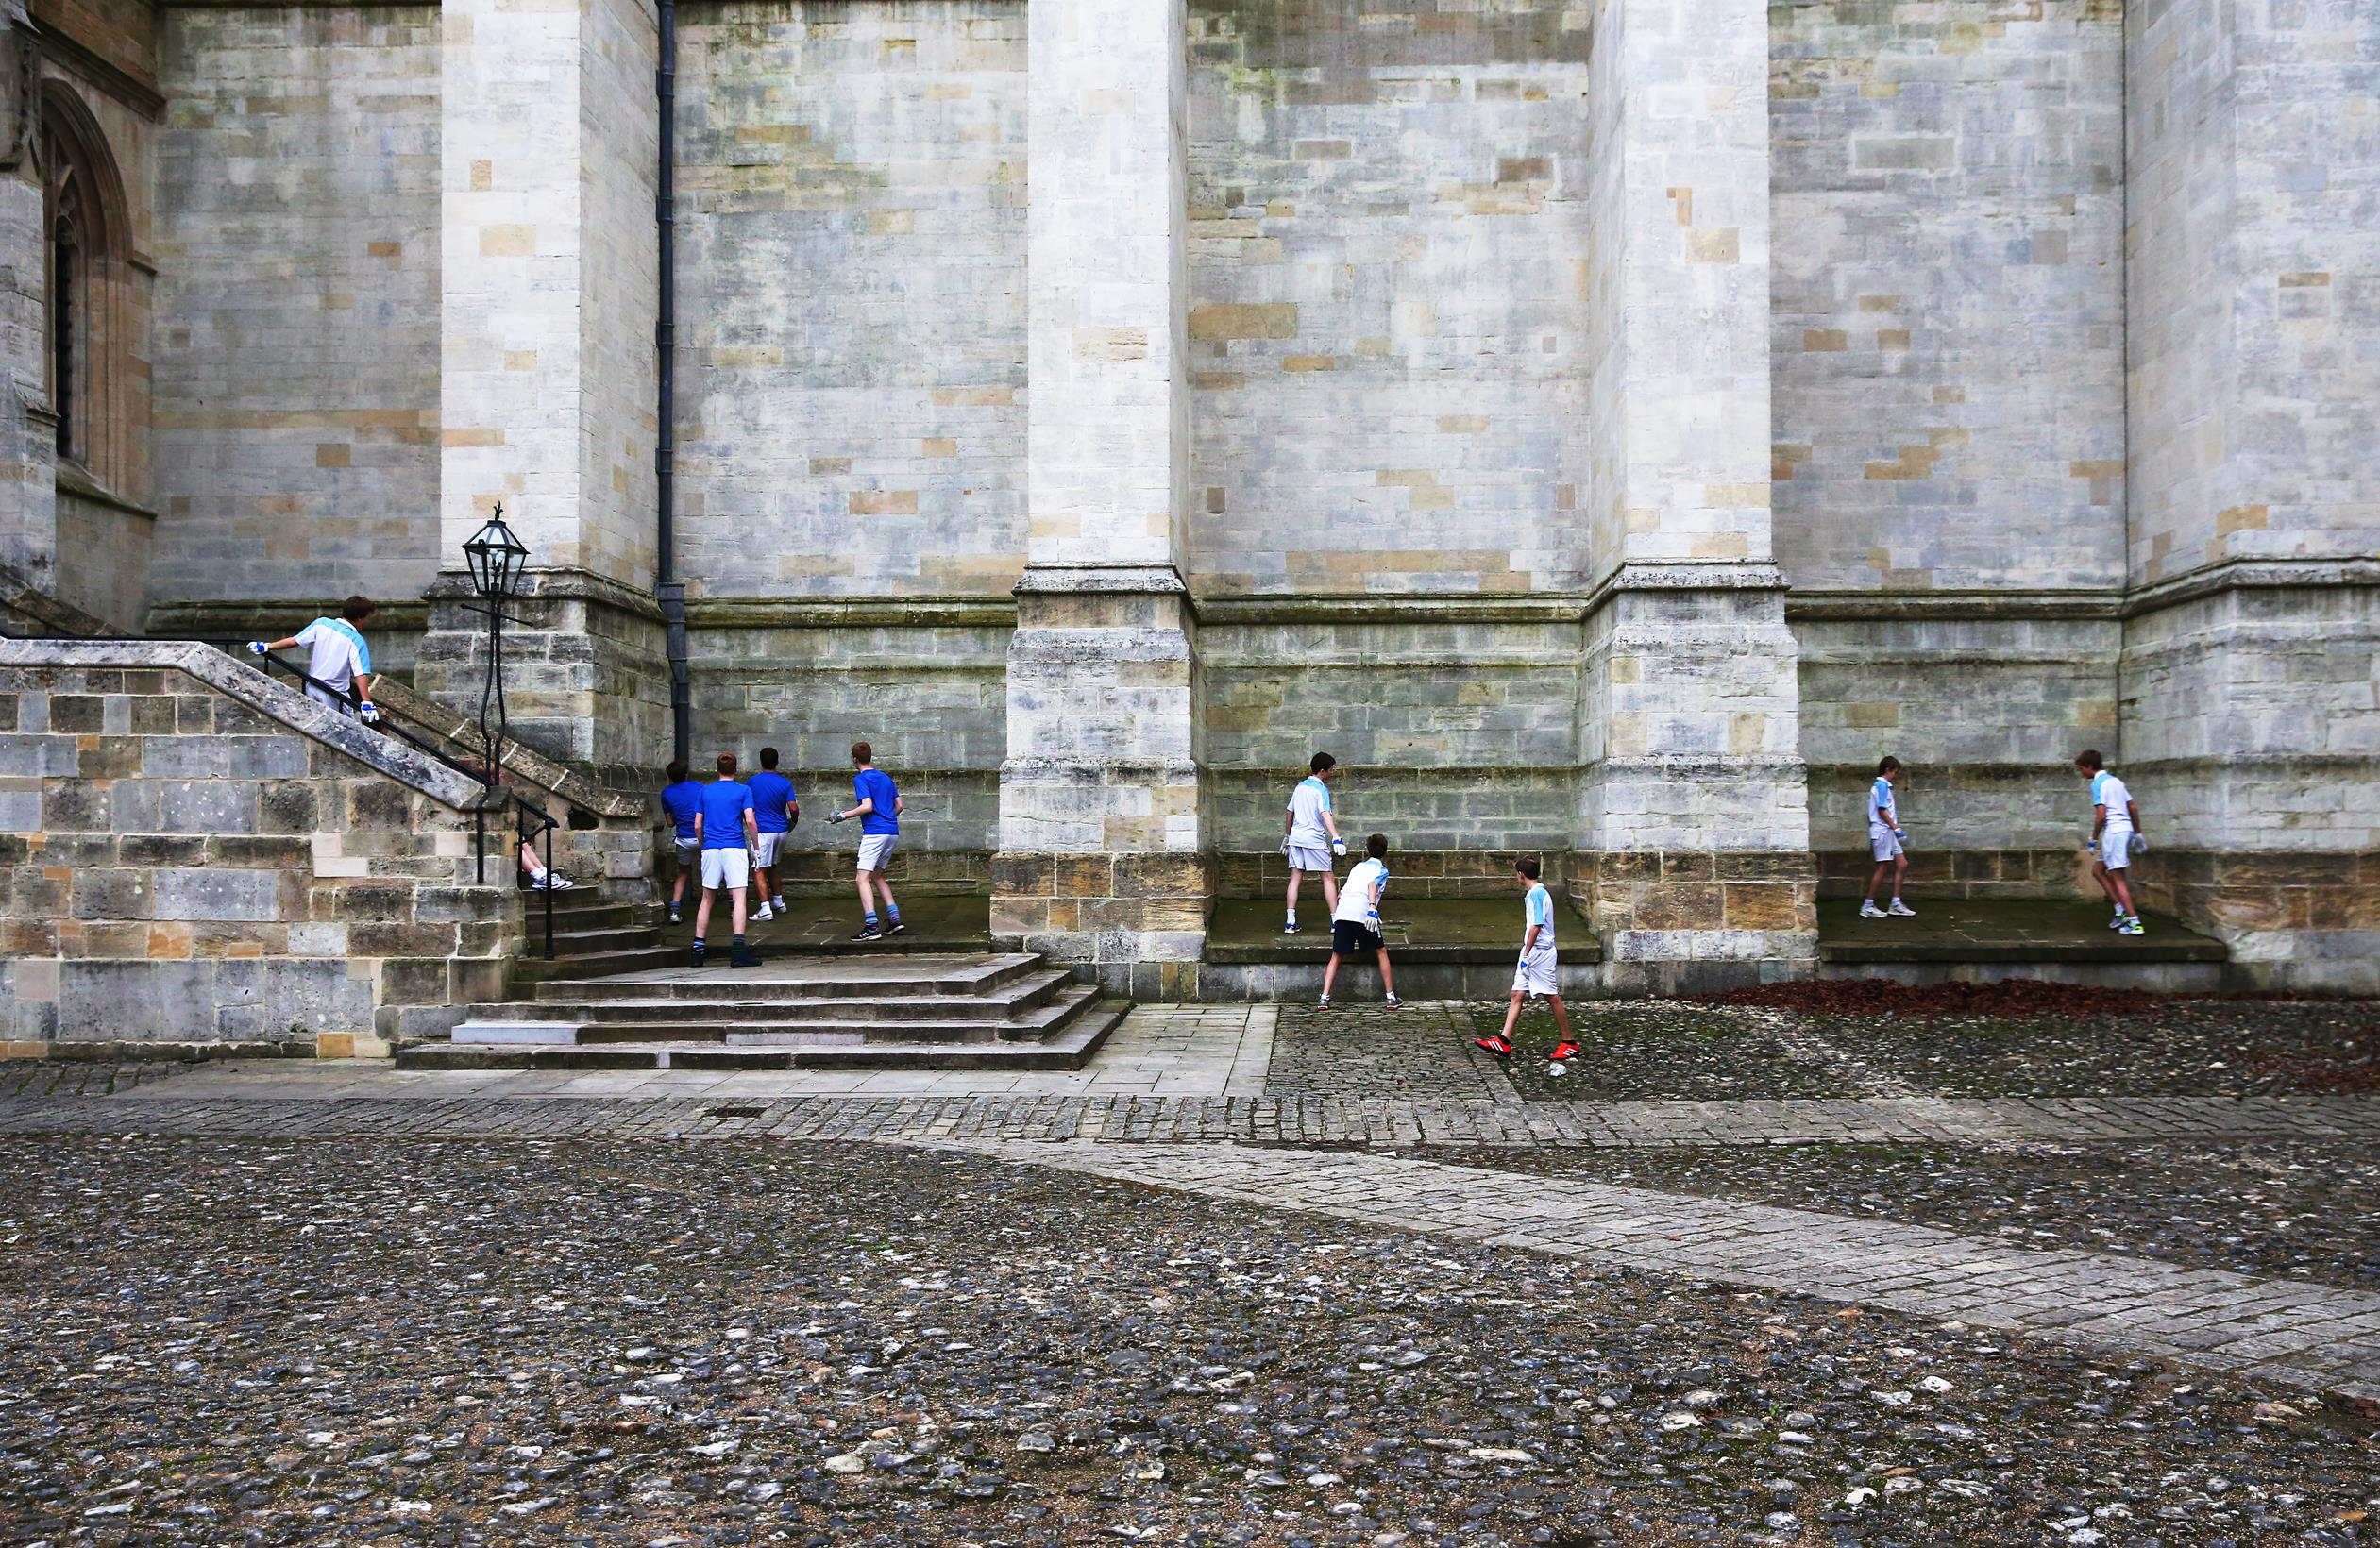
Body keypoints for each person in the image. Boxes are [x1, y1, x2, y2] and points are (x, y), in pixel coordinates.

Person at [1475, 856, 1578, 1071]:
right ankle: (1504, 1040)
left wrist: (1527, 952)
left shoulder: (1536, 895)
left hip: (1539, 953)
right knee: (1517, 994)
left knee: (1551, 996)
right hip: (1533, 952)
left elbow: (1537, 925)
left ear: (1520, 875)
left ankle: (1569, 1042)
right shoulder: (1537, 893)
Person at [248, 595, 380, 722]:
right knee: (345, 730)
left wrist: (267, 646)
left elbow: (295, 641)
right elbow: (361, 673)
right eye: (367, 618)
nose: (367, 622)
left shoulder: (321, 624)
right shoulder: (356, 641)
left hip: (312, 687)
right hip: (334, 693)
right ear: (359, 618)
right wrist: (366, 702)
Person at [827, 741, 903, 941]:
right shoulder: (885, 777)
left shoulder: (861, 779)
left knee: (862, 878)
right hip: (891, 831)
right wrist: (887, 818)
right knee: (877, 875)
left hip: (875, 832)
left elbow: (867, 806)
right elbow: (900, 805)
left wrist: (842, 816)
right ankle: (894, 919)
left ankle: (871, 926)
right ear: (871, 757)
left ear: (854, 759)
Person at [692, 752, 761, 968]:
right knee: (739, 897)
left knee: (707, 899)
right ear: (736, 769)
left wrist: (704, 844)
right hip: (734, 847)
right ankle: (738, 951)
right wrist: (756, 848)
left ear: (717, 769)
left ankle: (697, 952)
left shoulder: (705, 791)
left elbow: (697, 824)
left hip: (711, 848)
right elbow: (749, 820)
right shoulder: (743, 790)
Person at [1318, 833, 1400, 1010]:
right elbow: (1372, 885)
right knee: (1381, 951)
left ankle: (1324, 997)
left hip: (1343, 912)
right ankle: (1391, 997)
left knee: (1336, 955)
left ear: (1366, 850)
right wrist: (1372, 907)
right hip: (1363, 912)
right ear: (1385, 852)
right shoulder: (1382, 870)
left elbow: (1341, 893)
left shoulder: (1357, 867)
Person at [2076, 749, 2145, 935]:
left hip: (2114, 832)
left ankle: (2134, 922)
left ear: (2090, 767)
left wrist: (2093, 839)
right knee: (2098, 871)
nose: (2081, 772)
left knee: (2118, 878)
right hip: (2124, 830)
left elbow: (2101, 816)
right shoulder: (2116, 781)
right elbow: (2133, 806)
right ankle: (2121, 911)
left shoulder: (2097, 783)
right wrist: (2137, 833)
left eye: (2081, 769)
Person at [1282, 752, 1346, 934]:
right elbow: (1325, 813)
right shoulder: (1321, 790)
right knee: (1327, 877)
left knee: (1295, 878)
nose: (1332, 773)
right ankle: (1336, 921)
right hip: (1313, 839)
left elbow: (1289, 812)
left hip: (1296, 838)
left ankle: (1290, 922)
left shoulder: (1300, 788)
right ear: (1322, 771)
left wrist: (1287, 836)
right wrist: (1336, 837)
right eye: (1330, 770)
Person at [747, 747, 799, 923]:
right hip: (781, 830)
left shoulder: (752, 782)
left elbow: (747, 808)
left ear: (761, 762)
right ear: (777, 762)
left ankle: (765, 908)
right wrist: (793, 822)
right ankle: (778, 901)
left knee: (758, 868)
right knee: (774, 865)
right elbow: (793, 808)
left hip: (763, 831)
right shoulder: (785, 783)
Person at [1860, 755, 1916, 918]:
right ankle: (1868, 906)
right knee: (1882, 867)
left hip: (1888, 832)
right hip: (1883, 831)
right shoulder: (1881, 786)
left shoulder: (1884, 786)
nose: (1896, 776)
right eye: (1895, 772)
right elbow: (1882, 810)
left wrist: (1894, 829)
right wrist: (1895, 827)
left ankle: (1896, 904)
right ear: (1888, 770)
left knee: (1902, 864)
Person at [659, 759, 703, 925]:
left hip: (683, 839)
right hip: (702, 837)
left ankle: (674, 911)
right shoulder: (699, 787)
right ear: (686, 773)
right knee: (714, 871)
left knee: (683, 872)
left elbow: (670, 823)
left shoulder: (666, 793)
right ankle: (732, 907)